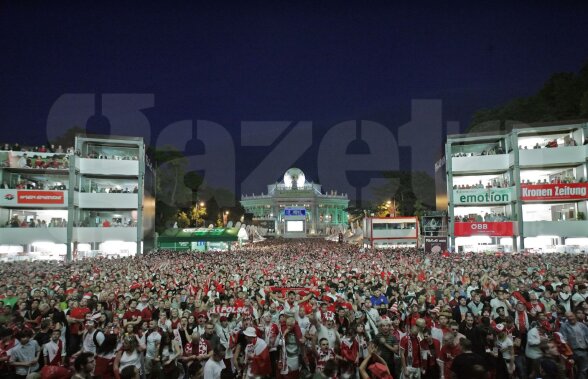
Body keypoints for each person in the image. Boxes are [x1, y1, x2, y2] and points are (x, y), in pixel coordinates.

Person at [559, 311, 588, 379]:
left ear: (575, 315)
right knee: (573, 371)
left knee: (583, 370)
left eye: (571, 316)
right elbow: (563, 340)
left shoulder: (582, 325)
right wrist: (568, 353)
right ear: (566, 318)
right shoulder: (564, 326)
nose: (570, 318)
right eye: (568, 317)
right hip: (572, 352)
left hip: (584, 351)